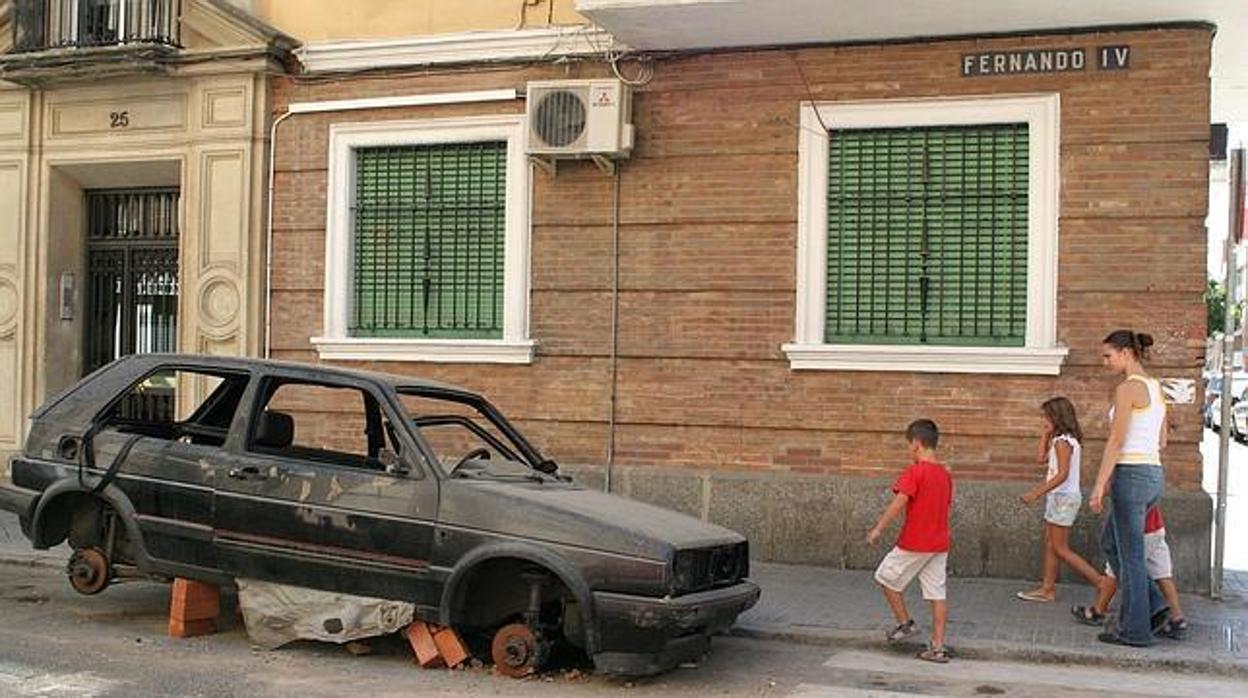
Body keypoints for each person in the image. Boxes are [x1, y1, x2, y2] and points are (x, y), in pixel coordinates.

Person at [1089, 330, 1169, 646]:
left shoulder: (1127, 389)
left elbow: (1117, 439)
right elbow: (1162, 439)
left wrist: (1099, 485)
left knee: (1131, 556)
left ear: (1126, 353)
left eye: (1108, 355)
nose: (1104, 361)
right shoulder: (1156, 388)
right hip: (1152, 474)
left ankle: (1135, 631)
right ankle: (1155, 603)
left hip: (1132, 475)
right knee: (1111, 541)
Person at [867, 419, 954, 663]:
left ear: (916, 444)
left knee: (885, 577)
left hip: (915, 541)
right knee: (937, 593)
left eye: (908, 445)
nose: (908, 450)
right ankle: (937, 647)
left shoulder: (915, 472)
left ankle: (905, 624)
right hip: (939, 543)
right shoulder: (945, 475)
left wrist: (877, 529)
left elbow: (898, 504)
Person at [1016, 397, 1111, 603]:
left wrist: (1036, 492)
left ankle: (1101, 582)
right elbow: (1040, 459)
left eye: (1047, 416)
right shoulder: (1062, 440)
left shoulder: (1063, 442)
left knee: (1060, 548)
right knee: (1051, 544)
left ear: (1057, 417)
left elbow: (1062, 474)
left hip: (1063, 498)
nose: (1044, 419)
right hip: (1059, 497)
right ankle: (1047, 589)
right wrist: (1045, 435)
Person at [1072, 505, 1189, 640]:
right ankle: (1177, 618)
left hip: (1139, 530)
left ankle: (1098, 611)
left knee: (1116, 568)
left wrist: (1099, 491)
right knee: (1162, 574)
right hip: (1156, 527)